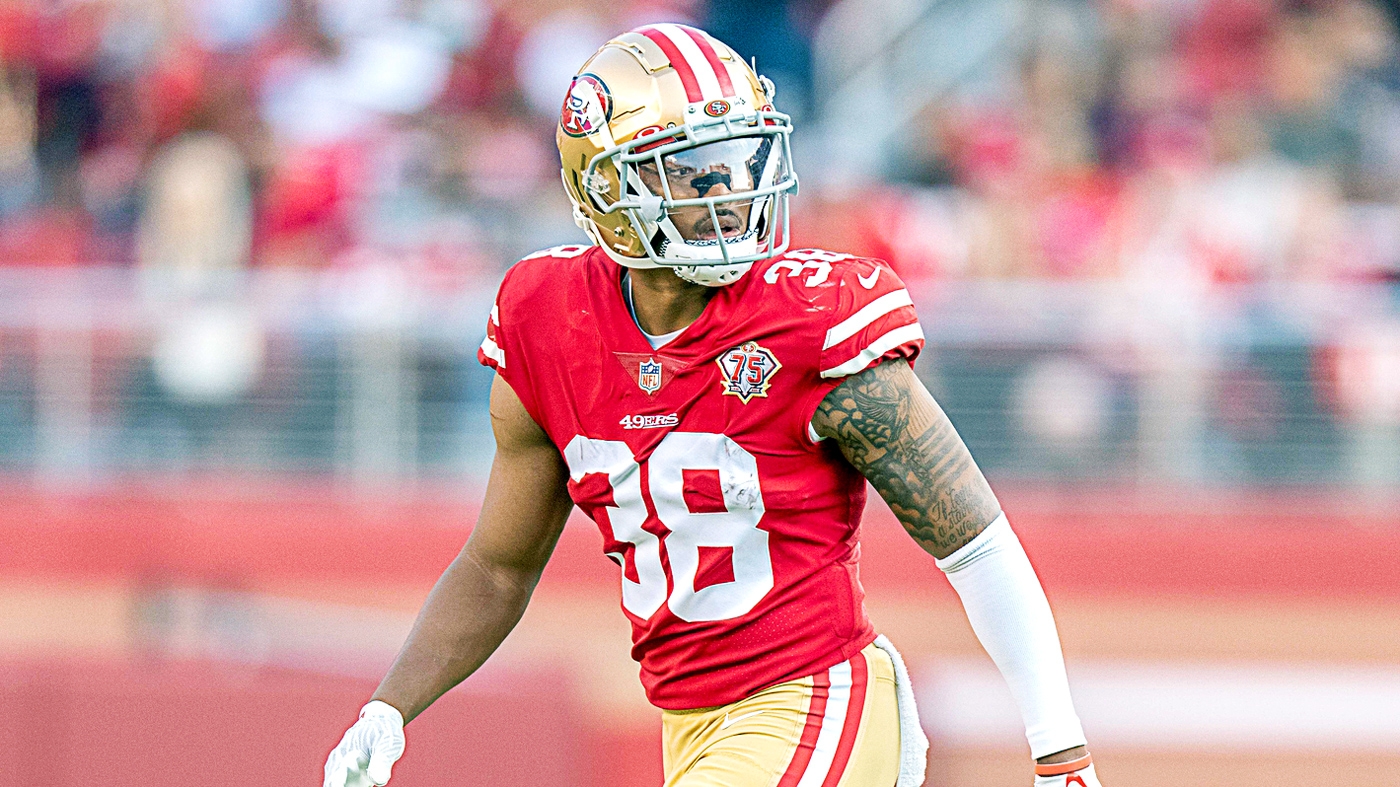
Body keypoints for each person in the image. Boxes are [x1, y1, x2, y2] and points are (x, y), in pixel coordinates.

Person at [324, 23, 1101, 787]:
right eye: (693, 170)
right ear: (608, 187)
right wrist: (389, 709)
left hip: (815, 699)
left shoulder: (811, 320)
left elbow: (976, 543)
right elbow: (497, 566)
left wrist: (1059, 749)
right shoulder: (546, 318)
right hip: (691, 726)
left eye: (739, 158)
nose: (731, 191)